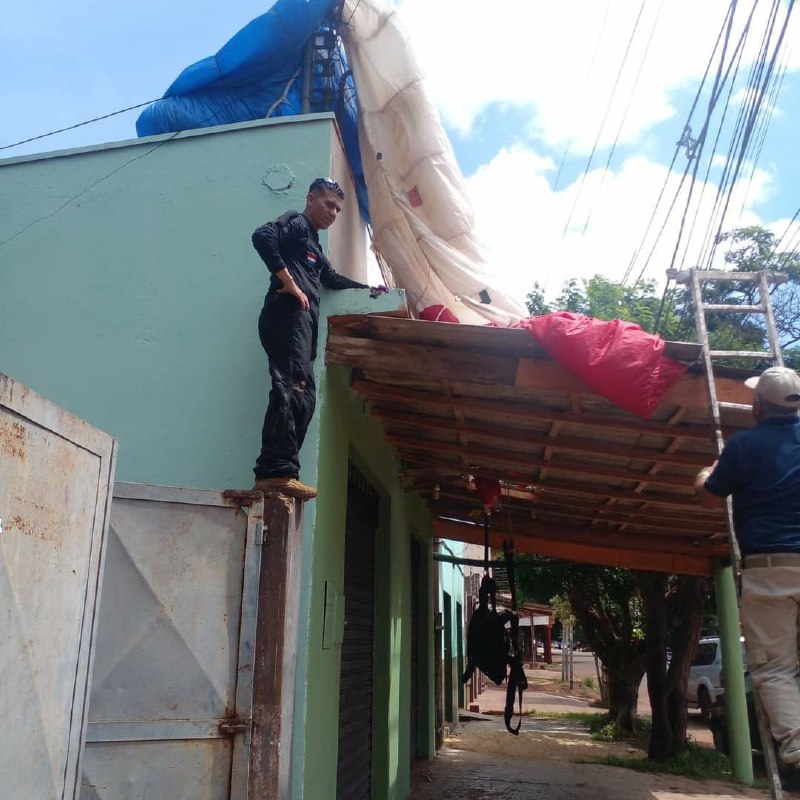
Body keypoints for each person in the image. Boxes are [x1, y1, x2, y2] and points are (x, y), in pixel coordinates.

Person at [695, 365, 800, 766]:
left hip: (770, 567)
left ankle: (795, 744)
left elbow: (709, 496)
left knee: (774, 667)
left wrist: (703, 474)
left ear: (758, 406)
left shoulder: (745, 446)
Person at [251, 177, 371, 501]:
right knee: (289, 388)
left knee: (303, 394)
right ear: (310, 199)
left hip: (303, 327)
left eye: (338, 209)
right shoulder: (295, 222)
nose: (333, 212)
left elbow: (331, 278)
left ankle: (282, 471)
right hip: (285, 317)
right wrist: (288, 281)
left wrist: (372, 290)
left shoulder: (314, 245)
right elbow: (262, 236)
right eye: (328, 204)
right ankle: (274, 473)